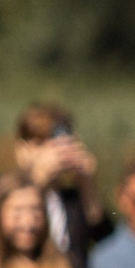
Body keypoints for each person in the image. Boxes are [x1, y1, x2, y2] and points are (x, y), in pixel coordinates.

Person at [11, 101, 112, 259]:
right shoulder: (3, 193)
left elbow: (106, 242)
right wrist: (38, 180)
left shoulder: (70, 199)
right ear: (22, 149)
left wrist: (87, 184)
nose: (53, 152)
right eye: (41, 143)